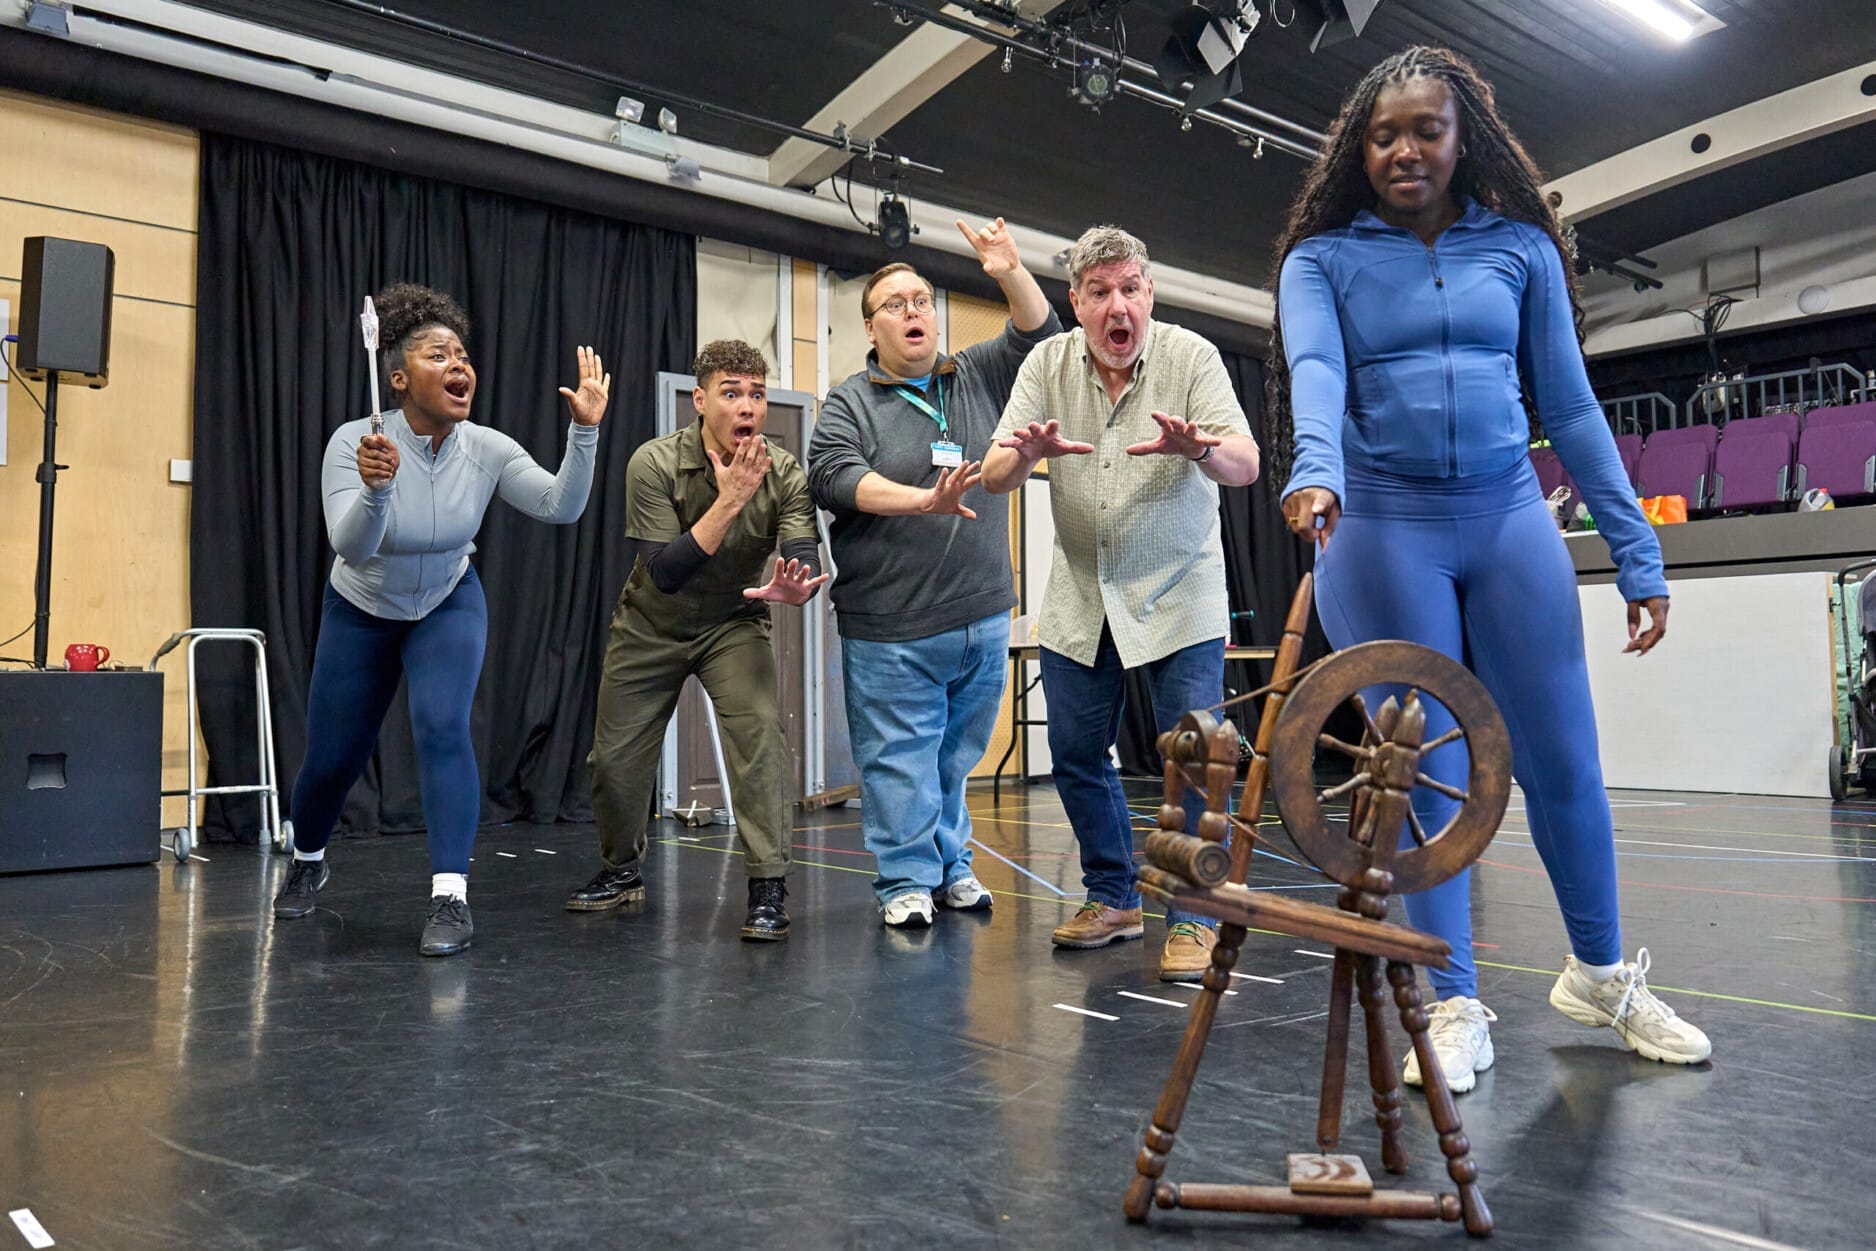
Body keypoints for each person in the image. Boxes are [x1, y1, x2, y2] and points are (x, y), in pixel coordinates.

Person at [1269, 45, 1711, 1091]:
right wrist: (1317, 467)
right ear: (1356, 150)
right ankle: (1454, 999)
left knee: (1562, 759)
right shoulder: (1321, 262)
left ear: (1464, 135)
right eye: (1383, 135)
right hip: (1381, 524)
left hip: (1509, 516)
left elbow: (1566, 406)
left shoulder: (1517, 251)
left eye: (1426, 129)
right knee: (1429, 767)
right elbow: (1318, 368)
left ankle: (1600, 976)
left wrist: (1635, 549)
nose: (1405, 150)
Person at [273, 282, 610, 956]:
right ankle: (307, 855)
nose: (458, 364)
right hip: (362, 608)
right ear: (398, 377)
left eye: (462, 353)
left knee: (442, 724)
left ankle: (450, 897)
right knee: (333, 759)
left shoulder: (485, 447)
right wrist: (375, 490)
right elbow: (352, 544)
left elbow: (559, 506)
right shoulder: (354, 443)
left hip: (447, 601)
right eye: (437, 354)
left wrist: (584, 433)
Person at [982, 225, 1260, 981]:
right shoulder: (1046, 361)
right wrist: (1025, 456)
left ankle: (1196, 916)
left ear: (1148, 295)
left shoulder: (1190, 357)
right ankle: (1114, 895)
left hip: (1180, 590)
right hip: (1081, 590)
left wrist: (1198, 447)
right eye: (1099, 291)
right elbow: (994, 472)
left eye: (1129, 289)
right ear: (1075, 302)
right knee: (1075, 752)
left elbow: (1246, 462)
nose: (1117, 306)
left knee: (1195, 759)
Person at [806, 218, 1059, 928]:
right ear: (870, 329)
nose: (914, 311)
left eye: (922, 299)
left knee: (953, 760)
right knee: (897, 761)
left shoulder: (973, 374)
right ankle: (903, 880)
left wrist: (1009, 268)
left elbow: (1041, 339)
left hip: (980, 616)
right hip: (892, 626)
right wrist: (926, 500)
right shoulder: (850, 403)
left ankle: (952, 868)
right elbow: (832, 477)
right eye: (896, 304)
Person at [568, 340, 826, 941]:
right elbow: (665, 570)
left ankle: (767, 886)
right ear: (699, 400)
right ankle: (621, 868)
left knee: (759, 731)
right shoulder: (653, 463)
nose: (747, 408)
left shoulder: (783, 470)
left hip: (733, 621)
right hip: (651, 623)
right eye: (732, 394)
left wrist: (799, 588)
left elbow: (802, 553)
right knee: (614, 762)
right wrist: (731, 498)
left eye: (757, 395)